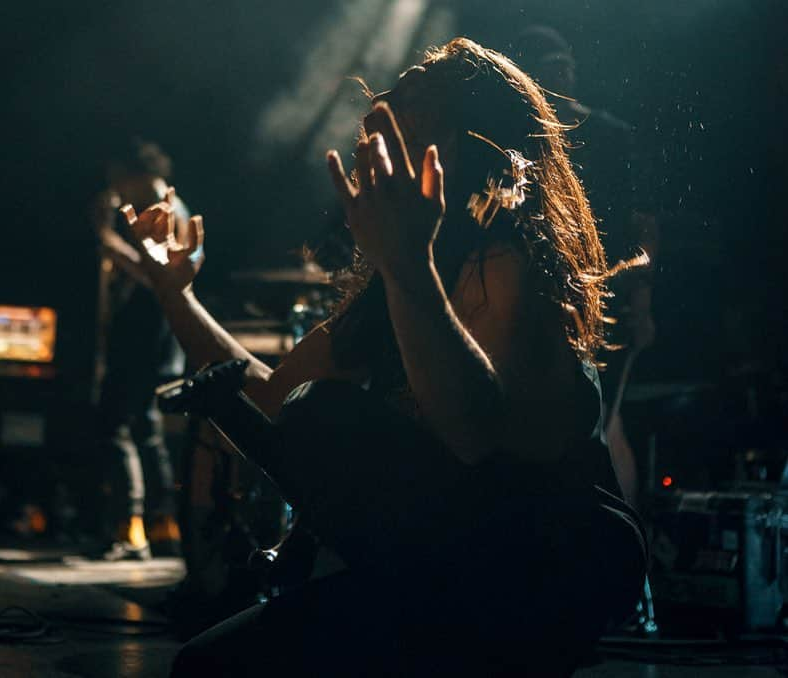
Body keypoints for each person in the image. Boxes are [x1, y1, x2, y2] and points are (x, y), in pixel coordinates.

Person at [111, 38, 646, 676]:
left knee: (327, 417)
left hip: (541, 575)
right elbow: (270, 400)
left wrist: (406, 264)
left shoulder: (505, 264)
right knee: (206, 667)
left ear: (455, 134)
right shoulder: (403, 275)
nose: (386, 92)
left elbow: (478, 437)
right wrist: (178, 297)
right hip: (440, 579)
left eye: (418, 84)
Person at [512, 26, 658, 505]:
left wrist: (641, 304)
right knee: (594, 423)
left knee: (603, 422)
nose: (562, 75)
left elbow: (641, 225)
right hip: (554, 300)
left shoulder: (607, 136)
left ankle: (618, 544)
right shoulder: (528, 139)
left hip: (603, 300)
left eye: (563, 66)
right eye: (552, 67)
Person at [92, 140, 185, 559]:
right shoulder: (164, 207)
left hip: (149, 335)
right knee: (141, 426)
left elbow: (161, 279)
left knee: (128, 424)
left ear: (139, 176)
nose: (119, 192)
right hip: (143, 333)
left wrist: (113, 245)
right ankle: (154, 529)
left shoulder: (168, 210)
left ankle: (138, 530)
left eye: (121, 183)